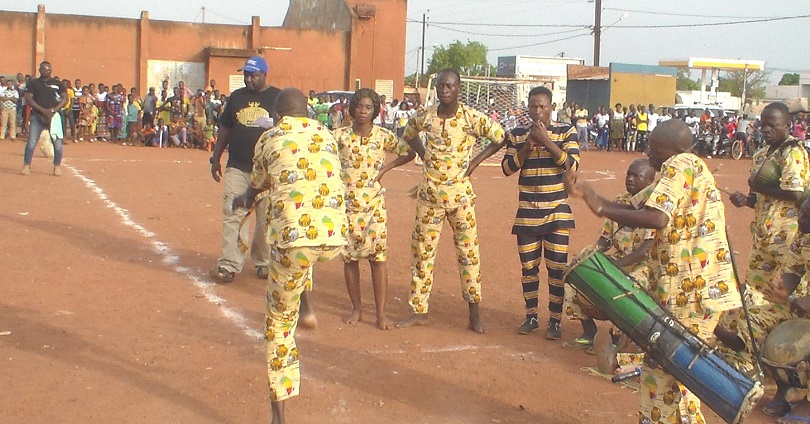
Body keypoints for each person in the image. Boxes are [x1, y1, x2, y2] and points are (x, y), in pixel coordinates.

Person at [571, 119, 742, 423]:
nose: (649, 154)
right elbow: (637, 210)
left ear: (675, 149)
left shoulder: (680, 165)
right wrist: (591, 196)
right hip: (688, 288)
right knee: (667, 371)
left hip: (692, 290)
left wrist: (600, 207)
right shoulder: (683, 170)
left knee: (673, 375)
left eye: (655, 149)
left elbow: (656, 218)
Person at [231, 87, 347, 424]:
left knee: (279, 326)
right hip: (333, 236)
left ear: (277, 115)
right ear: (307, 113)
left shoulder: (269, 138)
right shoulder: (326, 134)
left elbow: (257, 185)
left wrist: (243, 199)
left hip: (295, 240)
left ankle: (278, 417)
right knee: (303, 250)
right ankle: (307, 306)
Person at [397, 68, 506, 333]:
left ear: (459, 89)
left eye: (450, 86)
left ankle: (474, 315)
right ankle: (418, 311)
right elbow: (408, 133)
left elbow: (500, 137)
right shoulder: (425, 116)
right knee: (422, 254)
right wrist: (425, 154)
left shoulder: (470, 117)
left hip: (461, 198)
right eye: (441, 86)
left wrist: (475, 163)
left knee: (469, 255)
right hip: (429, 197)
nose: (445, 90)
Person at [716, 102, 809, 383]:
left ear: (787, 125)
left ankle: (784, 357)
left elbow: (796, 194)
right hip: (764, 235)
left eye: (773, 125)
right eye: (763, 124)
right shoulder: (760, 154)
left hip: (788, 236)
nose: (766, 129)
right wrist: (747, 200)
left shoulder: (793, 152)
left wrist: (760, 186)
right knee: (756, 293)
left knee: (786, 299)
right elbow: (762, 198)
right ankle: (751, 351)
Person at [501, 86, 580, 339]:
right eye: (533, 106)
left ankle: (555, 321)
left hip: (557, 212)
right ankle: (531, 316)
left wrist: (546, 141)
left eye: (542, 106)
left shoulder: (566, 131)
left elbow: (572, 165)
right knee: (529, 268)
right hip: (527, 212)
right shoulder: (517, 134)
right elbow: (507, 168)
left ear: (551, 108)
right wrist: (528, 145)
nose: (538, 111)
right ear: (528, 108)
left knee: (557, 269)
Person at [333, 88, 415, 330]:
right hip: (347, 206)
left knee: (378, 259)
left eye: (368, 107)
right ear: (352, 109)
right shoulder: (339, 136)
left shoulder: (383, 136)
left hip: (374, 206)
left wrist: (385, 169)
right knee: (350, 259)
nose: (363, 111)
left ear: (375, 111)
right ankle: (356, 308)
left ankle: (380, 313)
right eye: (359, 106)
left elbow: (408, 152)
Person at [209, 56, 281, 283]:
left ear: (264, 75)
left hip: (267, 171)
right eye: (246, 75)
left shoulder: (278, 98)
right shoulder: (236, 97)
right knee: (233, 213)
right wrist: (215, 158)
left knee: (265, 219)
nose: (249, 79)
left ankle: (263, 262)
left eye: (253, 75)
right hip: (238, 167)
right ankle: (229, 264)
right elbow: (225, 128)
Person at [760, 199, 810, 418]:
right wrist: (785, 292)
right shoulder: (803, 236)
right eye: (801, 212)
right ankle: (785, 390)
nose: (800, 218)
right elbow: (794, 269)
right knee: (754, 320)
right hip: (804, 309)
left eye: (806, 216)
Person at [21, 61, 67, 176]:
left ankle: (57, 166)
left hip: (54, 118)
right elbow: (29, 99)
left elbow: (65, 99)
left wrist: (53, 111)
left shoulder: (58, 83)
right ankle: (27, 165)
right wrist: (43, 111)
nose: (47, 71)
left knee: (57, 144)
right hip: (37, 117)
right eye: (44, 69)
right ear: (40, 70)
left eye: (49, 69)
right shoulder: (33, 83)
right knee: (31, 142)